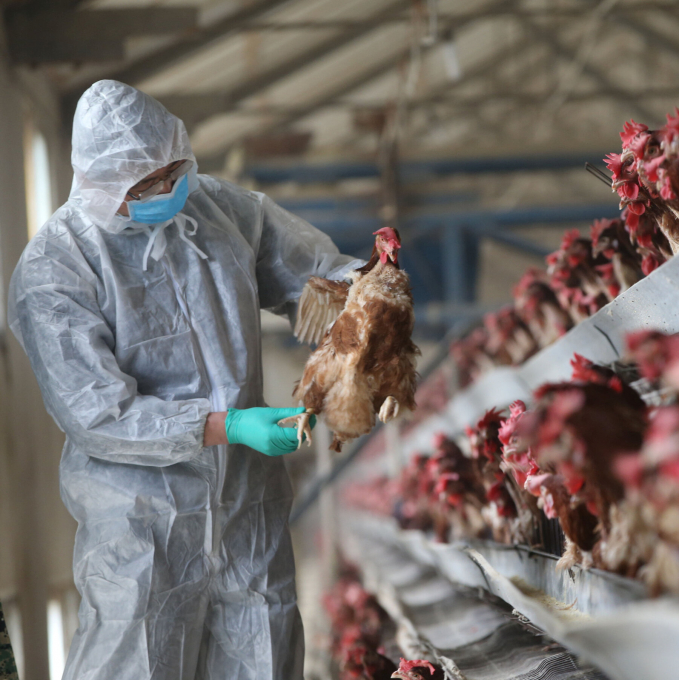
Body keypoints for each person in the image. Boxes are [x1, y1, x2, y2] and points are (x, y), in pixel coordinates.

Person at [9, 80, 360, 680]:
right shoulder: (55, 269)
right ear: (99, 186)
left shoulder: (220, 209)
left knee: (263, 652)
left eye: (174, 171)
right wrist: (226, 425)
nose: (166, 191)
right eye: (144, 186)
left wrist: (368, 295)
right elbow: (97, 413)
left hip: (247, 505)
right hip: (142, 520)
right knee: (135, 658)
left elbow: (316, 279)